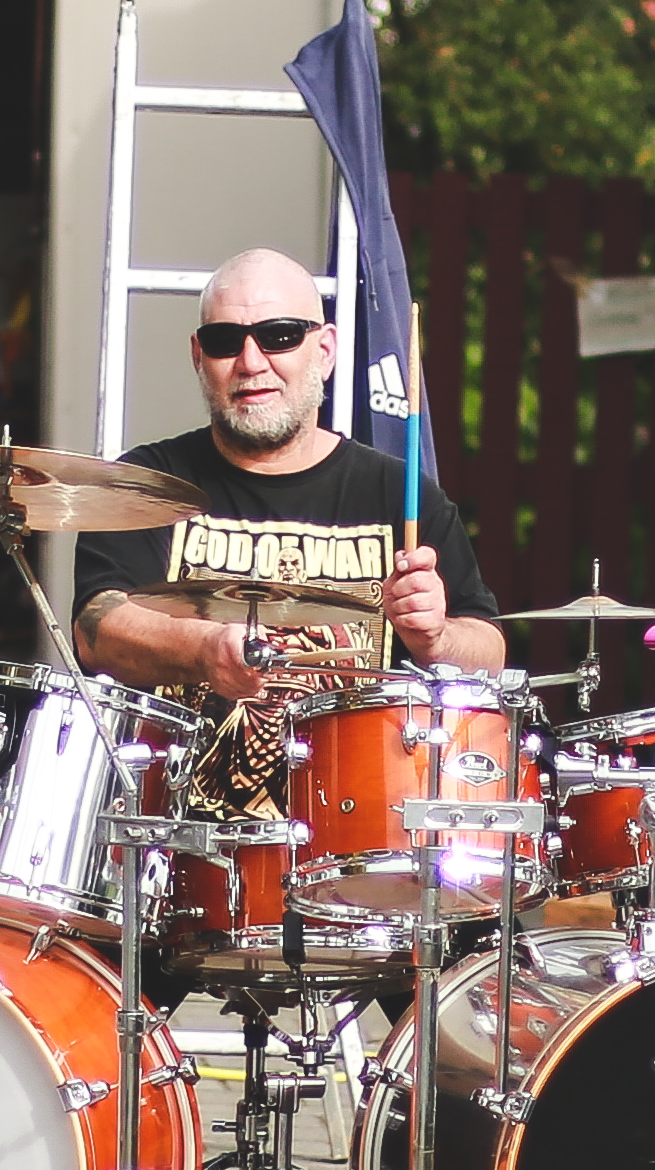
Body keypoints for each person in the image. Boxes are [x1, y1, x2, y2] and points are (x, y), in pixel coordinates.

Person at [75, 247, 504, 818]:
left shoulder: (399, 495)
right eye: (227, 340)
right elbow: (95, 629)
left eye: (279, 336)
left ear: (324, 350)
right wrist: (202, 650)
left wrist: (437, 639)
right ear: (199, 357)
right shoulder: (144, 484)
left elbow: (491, 653)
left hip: (355, 853)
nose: (252, 361)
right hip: (179, 851)